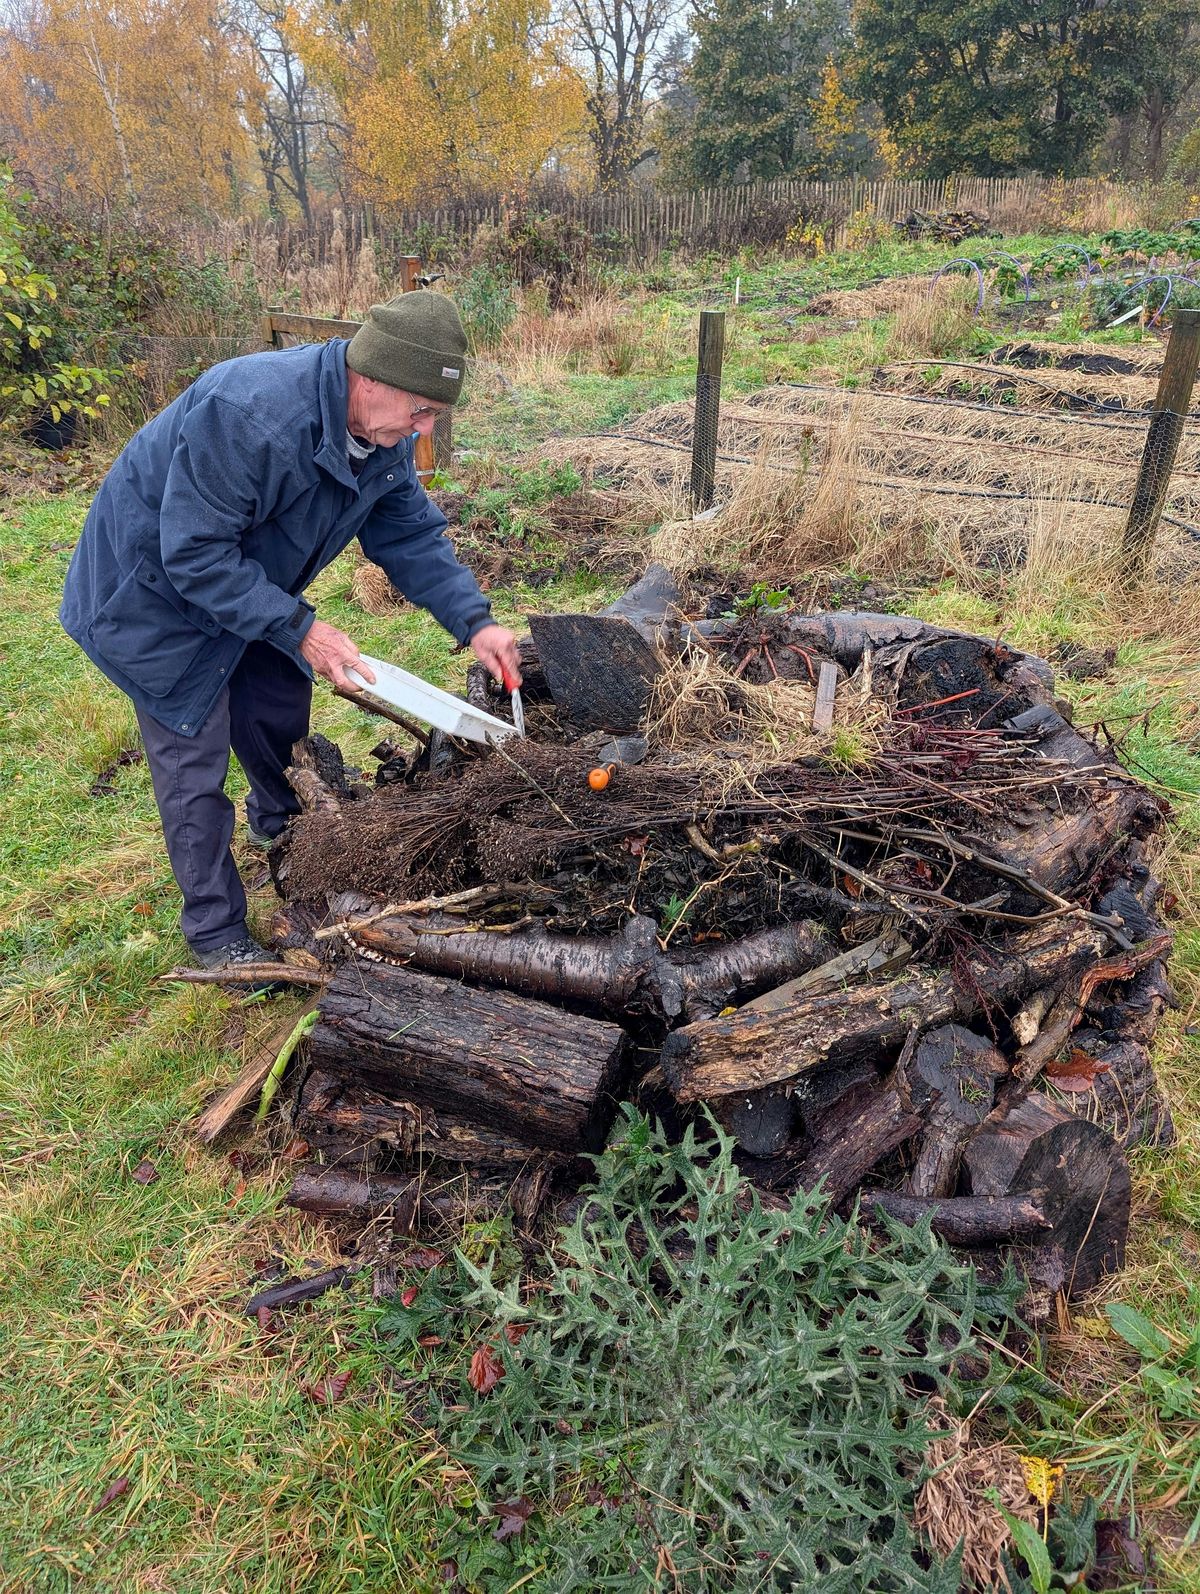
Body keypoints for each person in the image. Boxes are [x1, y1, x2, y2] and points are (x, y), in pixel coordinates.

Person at [61, 290, 520, 982]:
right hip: (150, 593)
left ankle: (284, 830)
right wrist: (301, 629)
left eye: (435, 414)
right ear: (371, 378)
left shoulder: (379, 437)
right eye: (419, 411)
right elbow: (191, 554)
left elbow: (407, 534)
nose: (424, 429)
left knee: (276, 697)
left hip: (241, 576)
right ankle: (216, 935)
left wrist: (475, 621)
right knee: (194, 757)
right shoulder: (249, 414)